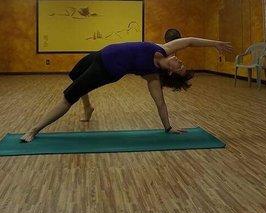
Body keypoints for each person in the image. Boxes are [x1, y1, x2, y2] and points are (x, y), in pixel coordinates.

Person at [20, 37, 233, 142]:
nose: (179, 60)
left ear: (170, 74)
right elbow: (189, 41)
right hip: (98, 55)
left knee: (69, 96)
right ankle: (88, 108)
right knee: (74, 76)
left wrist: (168, 127)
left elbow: (160, 103)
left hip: (104, 71)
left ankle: (34, 130)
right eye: (181, 62)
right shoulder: (165, 49)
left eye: (180, 66)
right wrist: (214, 43)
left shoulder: (151, 76)